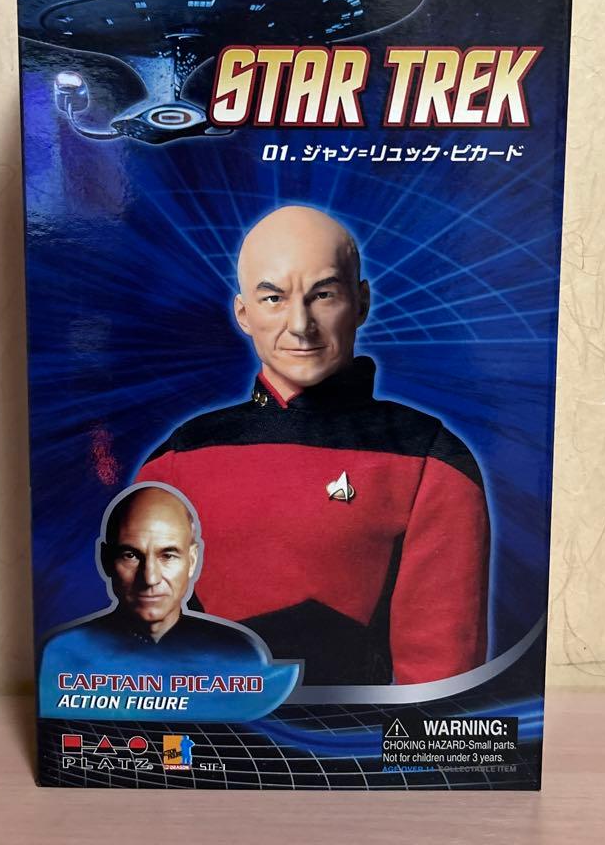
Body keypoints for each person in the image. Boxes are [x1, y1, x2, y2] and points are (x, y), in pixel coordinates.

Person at [137, 205, 490, 686]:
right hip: (215, 729)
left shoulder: (430, 460)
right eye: (273, 298)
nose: (300, 325)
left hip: (358, 732)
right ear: (243, 313)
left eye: (323, 295)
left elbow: (440, 680)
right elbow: (147, 660)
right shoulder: (175, 463)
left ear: (360, 303)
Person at [40, 483, 261, 667]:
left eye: (168, 556)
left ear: (192, 561)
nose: (150, 578)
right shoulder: (65, 655)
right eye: (130, 555)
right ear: (106, 560)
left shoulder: (238, 653)